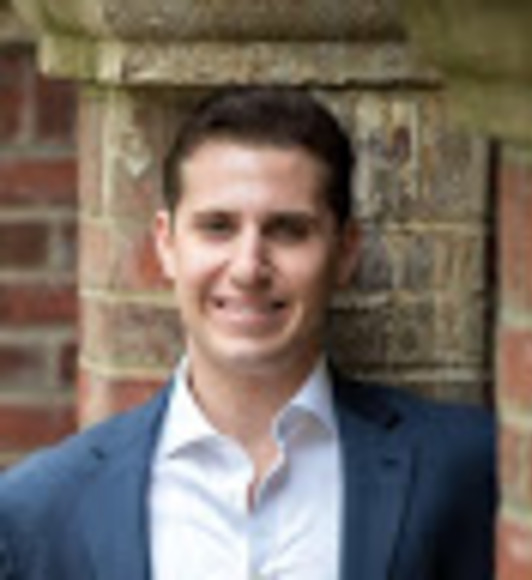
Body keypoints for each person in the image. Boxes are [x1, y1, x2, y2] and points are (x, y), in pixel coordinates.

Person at [0, 86, 496, 580]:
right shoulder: (41, 510)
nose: (248, 268)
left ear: (346, 251)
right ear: (167, 244)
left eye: (287, 230)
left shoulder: (466, 469)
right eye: (217, 227)